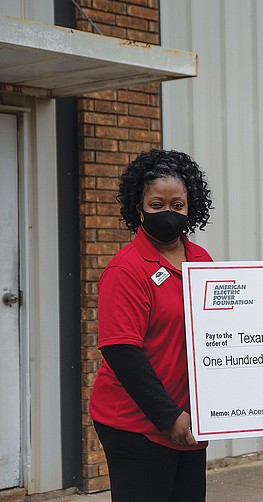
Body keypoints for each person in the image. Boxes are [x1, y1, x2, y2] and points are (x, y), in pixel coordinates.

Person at [89, 149, 213, 502]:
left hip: (189, 423)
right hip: (136, 423)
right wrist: (169, 417)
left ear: (191, 206)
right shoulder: (126, 269)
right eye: (157, 205)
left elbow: (220, 333)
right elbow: (121, 351)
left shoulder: (201, 259)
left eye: (178, 204)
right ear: (138, 208)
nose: (168, 213)